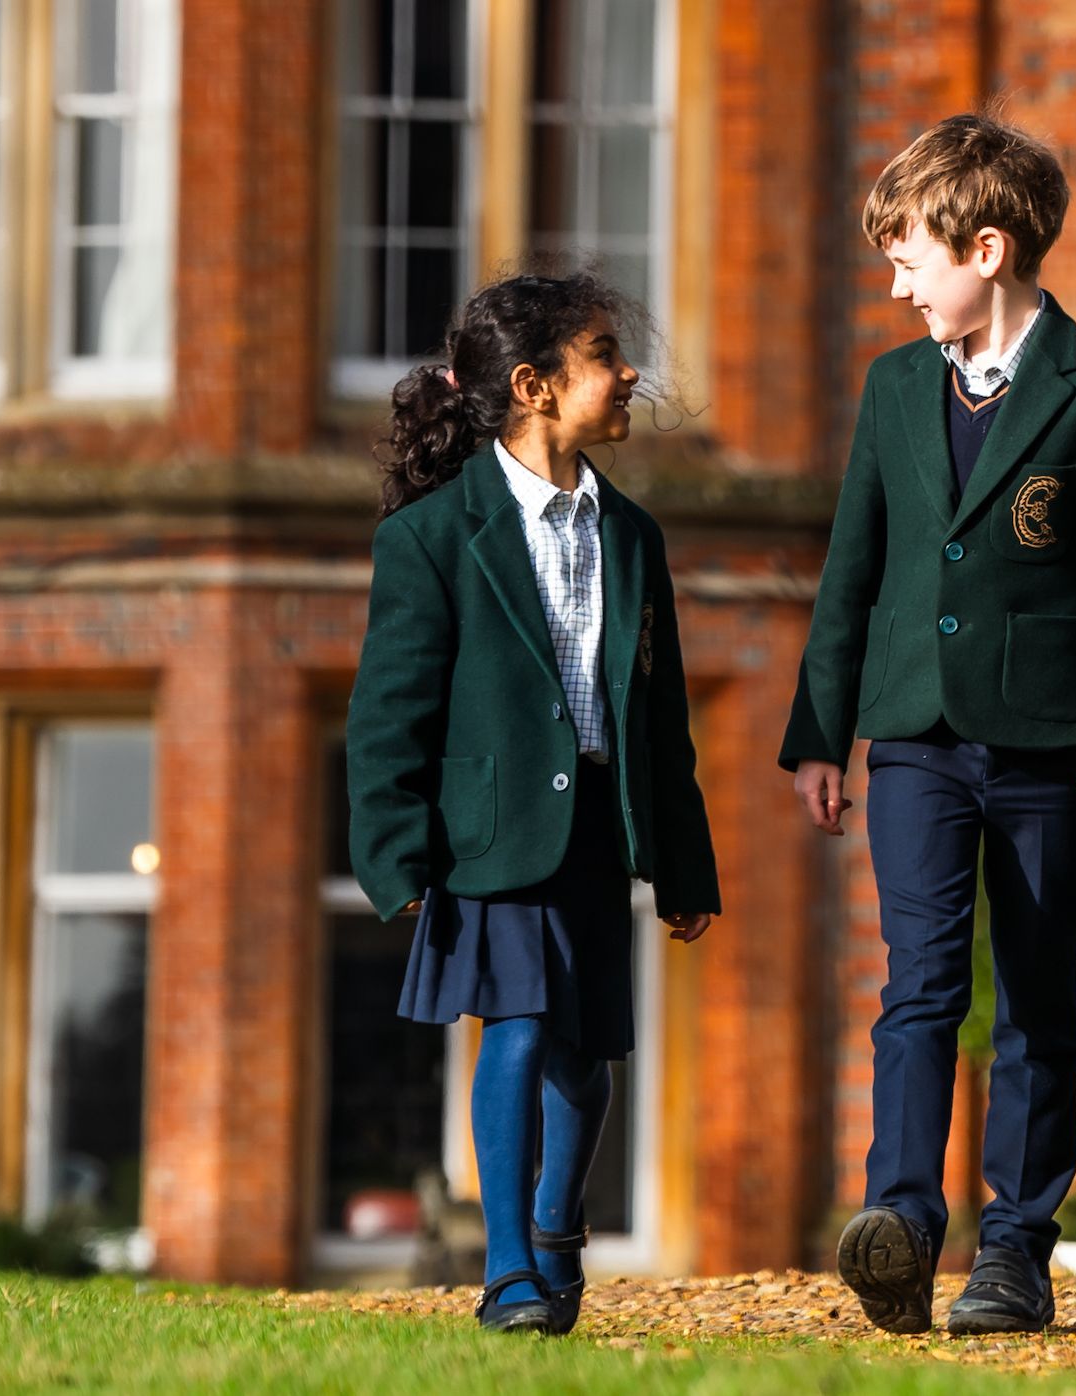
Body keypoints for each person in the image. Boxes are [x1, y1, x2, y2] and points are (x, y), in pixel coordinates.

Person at [779, 112, 1076, 1336]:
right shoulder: (894, 388)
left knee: (1038, 992)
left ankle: (1015, 1252)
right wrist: (819, 729)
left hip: (1046, 738)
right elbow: (856, 565)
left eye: (909, 260)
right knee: (920, 985)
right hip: (916, 736)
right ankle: (900, 1223)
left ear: (986, 249)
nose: (893, 286)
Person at [345, 272, 721, 1335]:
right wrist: (396, 854)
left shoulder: (634, 536)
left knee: (583, 1048)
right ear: (534, 384)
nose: (631, 370)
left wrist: (684, 867)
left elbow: (663, 720)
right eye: (606, 352)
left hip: (600, 828)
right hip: (491, 835)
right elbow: (388, 713)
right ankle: (509, 1269)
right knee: (513, 1026)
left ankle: (557, 1228)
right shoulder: (430, 539)